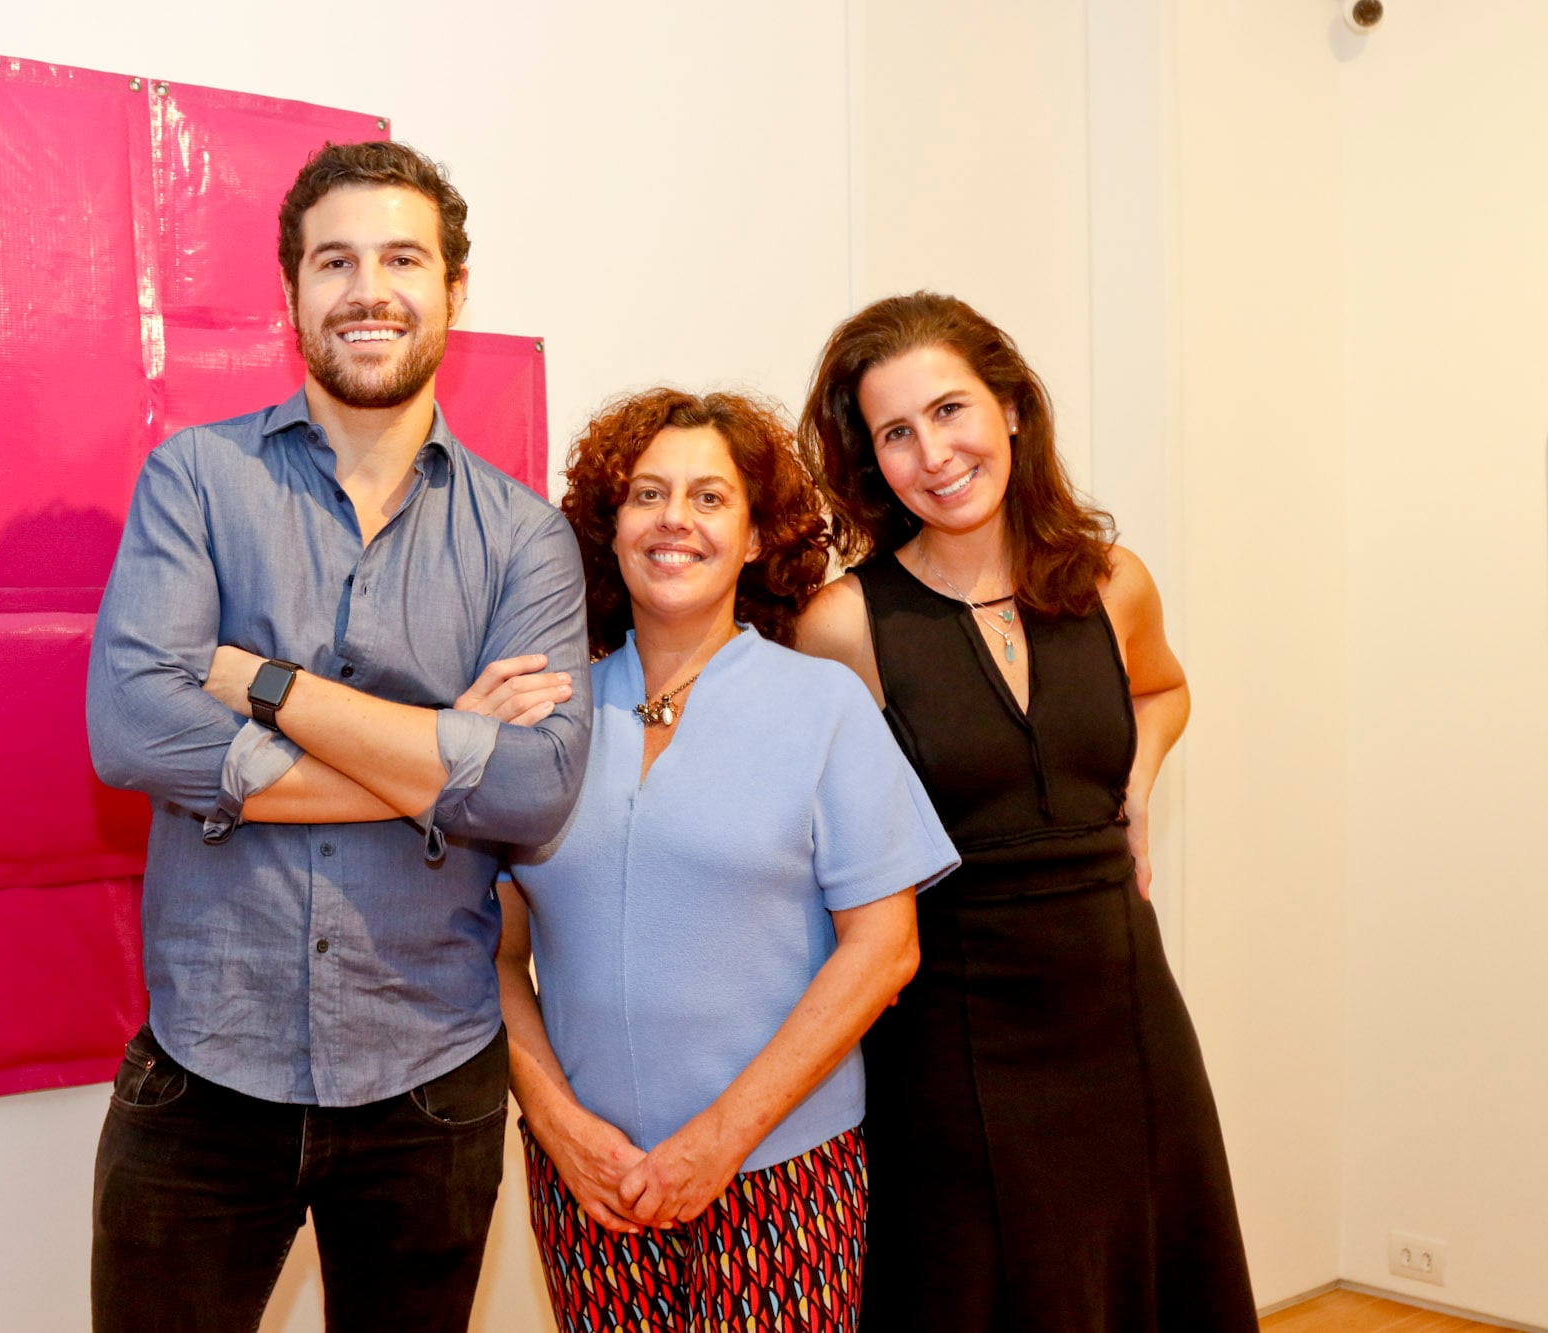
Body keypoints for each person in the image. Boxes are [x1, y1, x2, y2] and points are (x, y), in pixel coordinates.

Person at [85, 141, 592, 1333]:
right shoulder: (195, 482)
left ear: (453, 292)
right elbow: (131, 730)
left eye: (401, 259)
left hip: (430, 1083)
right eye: (335, 262)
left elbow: (533, 793)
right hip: (205, 1069)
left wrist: (260, 682)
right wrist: (443, 754)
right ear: (293, 293)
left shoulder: (525, 540)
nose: (369, 290)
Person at [794, 291, 1257, 1331]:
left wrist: (1136, 785)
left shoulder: (1112, 583)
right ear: (871, 459)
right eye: (895, 433)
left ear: (1008, 407)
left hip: (1125, 1012)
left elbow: (1162, 688)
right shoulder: (843, 624)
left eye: (949, 410)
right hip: (950, 1036)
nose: (933, 454)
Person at [498, 388, 958, 1332]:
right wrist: (555, 1124)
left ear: (754, 537)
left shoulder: (823, 705)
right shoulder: (546, 715)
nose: (675, 518)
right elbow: (489, 952)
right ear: (610, 527)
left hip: (781, 1174)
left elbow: (886, 948)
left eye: (710, 498)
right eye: (647, 494)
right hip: (592, 1182)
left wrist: (719, 1138)